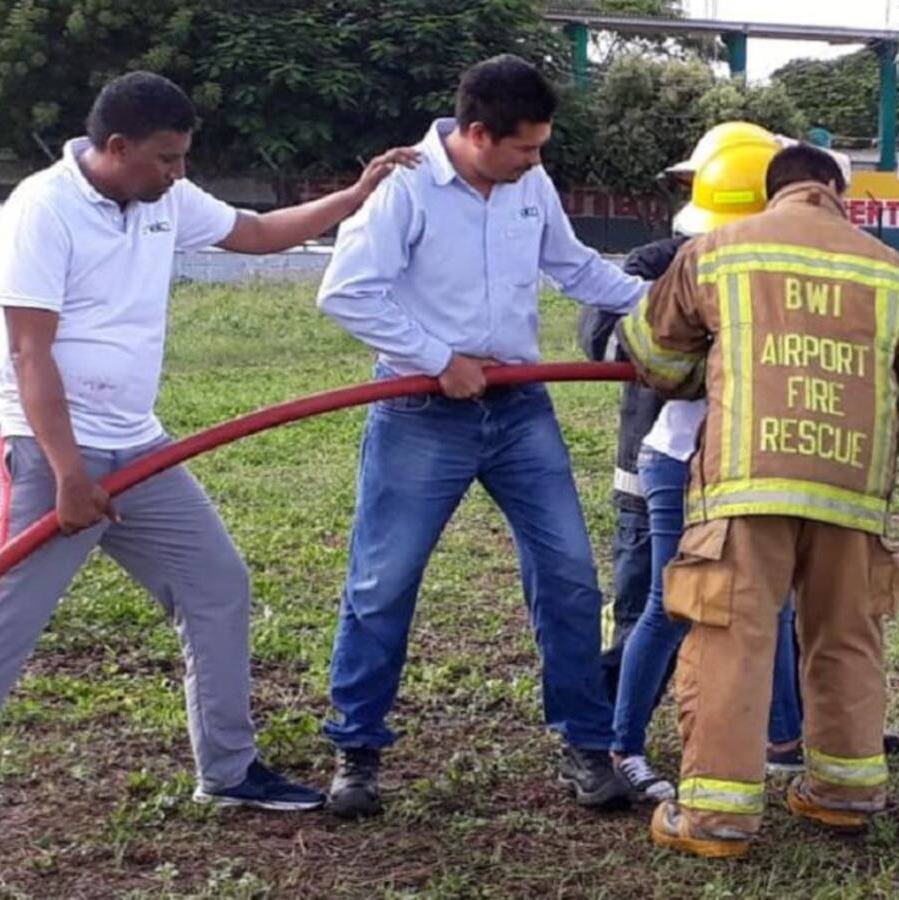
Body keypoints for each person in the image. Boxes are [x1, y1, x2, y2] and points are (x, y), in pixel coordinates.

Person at [0, 71, 415, 811]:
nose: (179, 173)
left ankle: (227, 773)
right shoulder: (42, 209)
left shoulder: (166, 200)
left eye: (184, 157)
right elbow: (31, 353)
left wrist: (355, 197)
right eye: (166, 159)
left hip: (141, 448)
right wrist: (67, 476)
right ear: (117, 146)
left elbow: (255, 234)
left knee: (216, 585)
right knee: (10, 622)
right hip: (47, 451)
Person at [315, 55, 646, 820]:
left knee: (569, 576)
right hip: (422, 415)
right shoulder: (405, 189)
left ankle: (586, 746)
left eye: (540, 149)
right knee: (382, 584)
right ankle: (357, 748)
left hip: (520, 405)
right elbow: (346, 292)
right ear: (475, 134)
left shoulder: (529, 186)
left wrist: (668, 300)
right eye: (525, 148)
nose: (538, 162)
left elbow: (576, 268)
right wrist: (439, 360)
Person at [619, 143, 899, 858]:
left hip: (747, 484)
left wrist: (712, 368)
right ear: (837, 192)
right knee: (845, 632)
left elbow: (654, 357)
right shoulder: (890, 267)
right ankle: (843, 794)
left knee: (732, 636)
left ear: (767, 193)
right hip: (851, 492)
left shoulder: (718, 251)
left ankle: (716, 818)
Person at [584, 133, 808, 804]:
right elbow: (624, 348)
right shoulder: (676, 271)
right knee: (667, 604)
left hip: (751, 464)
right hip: (680, 461)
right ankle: (623, 745)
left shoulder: (782, 271)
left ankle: (787, 743)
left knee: (777, 604)